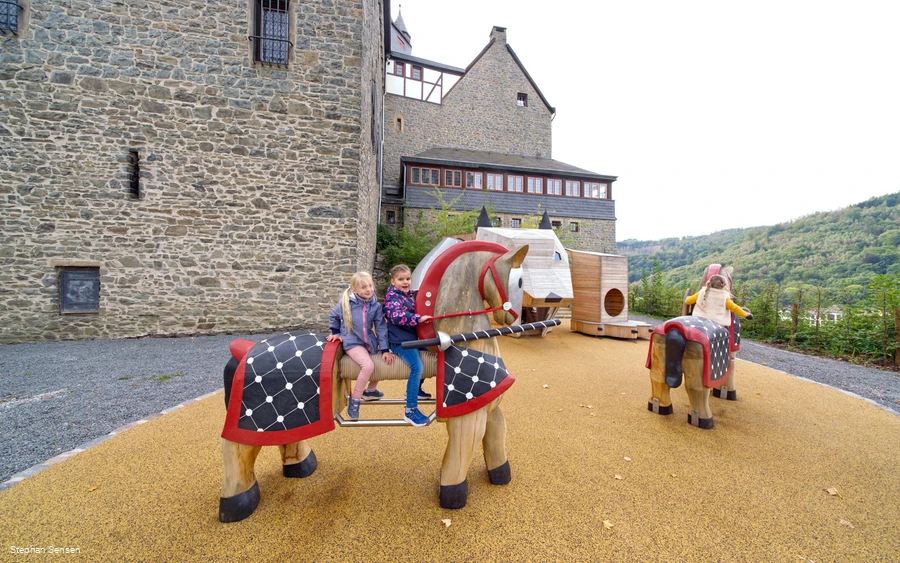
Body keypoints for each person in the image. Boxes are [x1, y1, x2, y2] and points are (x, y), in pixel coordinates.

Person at [327, 271, 393, 420]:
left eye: (370, 285)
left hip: (369, 341)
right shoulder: (346, 304)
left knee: (383, 361)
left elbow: (381, 328)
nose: (368, 289)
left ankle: (370, 390)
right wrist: (336, 332)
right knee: (368, 366)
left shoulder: (375, 306)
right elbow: (333, 315)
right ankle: (355, 400)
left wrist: (384, 349)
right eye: (363, 287)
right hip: (352, 341)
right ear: (355, 290)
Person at [383, 264, 433, 427]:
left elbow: (421, 301)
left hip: (412, 338)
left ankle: (416, 389)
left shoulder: (409, 295)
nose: (405, 282)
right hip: (400, 341)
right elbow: (397, 316)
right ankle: (410, 410)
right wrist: (418, 319)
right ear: (393, 281)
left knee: (432, 351)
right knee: (416, 366)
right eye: (400, 279)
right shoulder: (392, 297)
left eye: (408, 278)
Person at [684, 274, 753, 326]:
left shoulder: (702, 292)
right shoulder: (724, 296)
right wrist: (745, 314)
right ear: (723, 285)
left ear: (709, 283)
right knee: (726, 335)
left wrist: (687, 298)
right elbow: (734, 308)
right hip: (717, 323)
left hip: (698, 320)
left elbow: (688, 301)